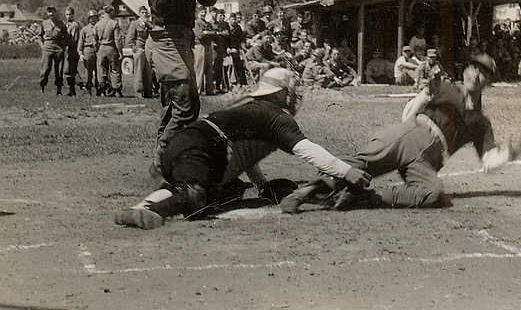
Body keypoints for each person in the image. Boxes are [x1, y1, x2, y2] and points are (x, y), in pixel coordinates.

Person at [114, 68, 371, 229]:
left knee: (192, 186)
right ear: (282, 93)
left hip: (186, 143)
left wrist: (260, 184)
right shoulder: (276, 115)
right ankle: (154, 214)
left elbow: (246, 154)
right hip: (201, 146)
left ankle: (139, 209)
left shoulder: (248, 105)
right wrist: (346, 170)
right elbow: (307, 150)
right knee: (195, 196)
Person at [281, 54, 521, 212]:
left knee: (434, 195)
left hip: (428, 160)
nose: (476, 74)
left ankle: (368, 198)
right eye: (474, 68)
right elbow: (410, 110)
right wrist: (416, 113)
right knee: (359, 165)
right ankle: (305, 193)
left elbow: (487, 162)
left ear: (489, 81)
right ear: (465, 71)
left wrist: (511, 153)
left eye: (484, 73)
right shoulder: (445, 88)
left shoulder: (482, 123)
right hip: (412, 134)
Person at [142, 0, 218, 176]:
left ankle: (167, 160)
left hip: (184, 39)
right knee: (187, 104)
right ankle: (161, 164)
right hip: (165, 39)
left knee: (178, 105)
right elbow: (161, 4)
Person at [95, 4, 124, 97]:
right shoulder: (114, 23)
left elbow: (94, 40)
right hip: (111, 48)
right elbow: (117, 39)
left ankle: (102, 91)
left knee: (101, 70)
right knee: (115, 69)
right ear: (111, 12)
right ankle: (117, 91)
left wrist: (97, 50)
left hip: (101, 48)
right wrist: (120, 51)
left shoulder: (98, 24)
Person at [126, 6, 155, 98]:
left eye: (145, 13)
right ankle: (138, 92)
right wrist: (134, 48)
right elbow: (129, 38)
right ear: (139, 14)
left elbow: (153, 30)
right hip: (139, 49)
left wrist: (147, 23)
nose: (144, 14)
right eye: (142, 13)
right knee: (139, 71)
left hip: (148, 50)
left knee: (148, 71)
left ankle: (148, 91)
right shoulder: (135, 24)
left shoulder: (148, 24)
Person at [39, 6, 68, 95]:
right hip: (47, 46)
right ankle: (42, 87)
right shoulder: (44, 23)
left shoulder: (61, 23)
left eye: (52, 12)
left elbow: (66, 36)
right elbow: (39, 36)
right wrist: (42, 46)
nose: (51, 14)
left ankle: (59, 89)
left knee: (59, 69)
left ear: (56, 13)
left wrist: (63, 47)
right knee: (46, 68)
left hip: (58, 46)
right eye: (49, 12)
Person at [193, 5, 215, 95]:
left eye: (205, 12)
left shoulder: (208, 24)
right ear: (198, 13)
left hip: (208, 46)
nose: (203, 14)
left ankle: (209, 89)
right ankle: (198, 90)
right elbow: (200, 35)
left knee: (209, 68)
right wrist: (207, 33)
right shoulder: (196, 23)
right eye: (202, 12)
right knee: (199, 68)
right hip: (200, 47)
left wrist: (207, 33)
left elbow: (214, 34)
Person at [78, 9, 99, 95]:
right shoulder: (85, 30)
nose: (93, 20)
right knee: (88, 72)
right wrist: (81, 54)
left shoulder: (100, 27)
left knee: (99, 71)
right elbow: (80, 43)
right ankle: (88, 90)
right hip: (88, 51)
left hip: (98, 51)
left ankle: (99, 90)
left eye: (94, 18)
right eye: (91, 18)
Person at [63, 6, 81, 96]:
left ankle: (81, 84)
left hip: (73, 50)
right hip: (68, 51)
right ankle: (72, 89)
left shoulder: (74, 25)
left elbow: (73, 40)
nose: (68, 16)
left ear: (73, 15)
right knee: (70, 70)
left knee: (69, 70)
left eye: (70, 14)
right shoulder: (67, 25)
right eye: (66, 14)